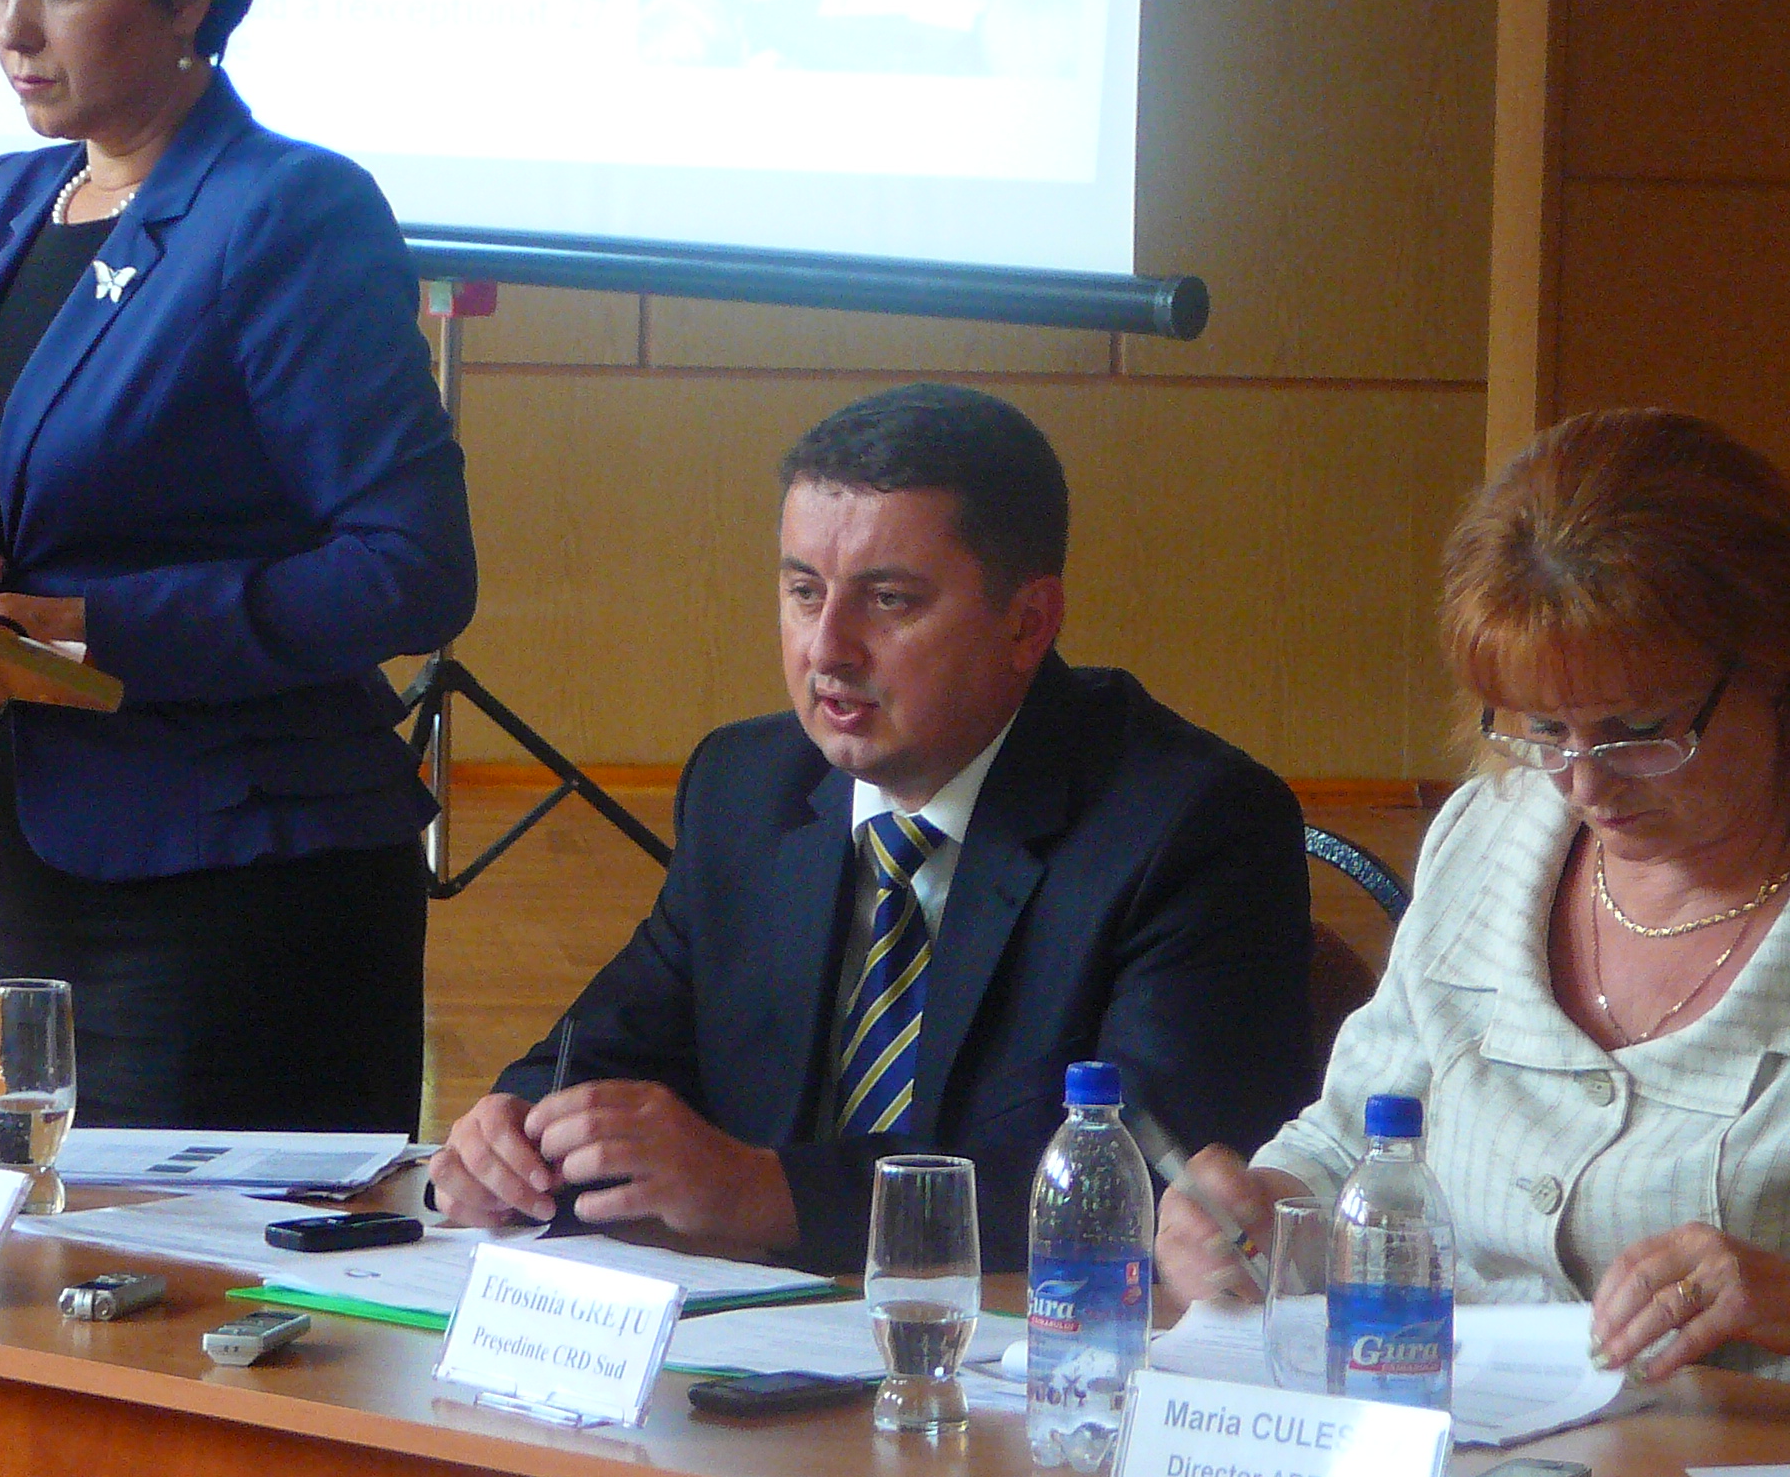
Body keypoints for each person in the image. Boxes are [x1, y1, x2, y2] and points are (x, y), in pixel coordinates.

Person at [0, 0, 475, 1134]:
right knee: (49, 1240)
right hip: (43, 848)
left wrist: (98, 629)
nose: (13, 27)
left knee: (187, 1269)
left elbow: (413, 570)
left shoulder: (287, 212)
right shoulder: (3, 203)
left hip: (246, 876)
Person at [431, 383, 1312, 1270]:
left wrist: (765, 1192)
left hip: (1022, 1333)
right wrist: (515, 1131)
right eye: (803, 591)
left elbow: (1147, 1186)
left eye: (888, 600)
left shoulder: (1190, 826)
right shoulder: (747, 785)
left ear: (1028, 623)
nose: (826, 649)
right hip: (743, 1327)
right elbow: (614, 1040)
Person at [1157, 408, 1790, 1380]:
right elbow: (1358, 1132)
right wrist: (1261, 1211)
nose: (1585, 783)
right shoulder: (1490, 836)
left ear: (1771, 666)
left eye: (1638, 730)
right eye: (1544, 729)